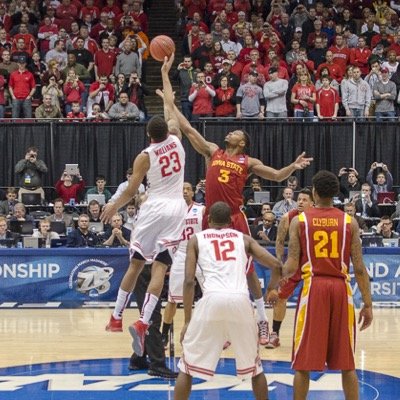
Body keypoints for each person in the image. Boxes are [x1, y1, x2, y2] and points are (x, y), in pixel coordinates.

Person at [161, 53, 313, 345]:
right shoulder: (213, 151)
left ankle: (262, 325)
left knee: (248, 271)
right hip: (210, 217)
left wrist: (292, 167)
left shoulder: (248, 161)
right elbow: (188, 127)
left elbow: (278, 177)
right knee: (210, 272)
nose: (229, 131)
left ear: (241, 142)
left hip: (233, 216)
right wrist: (169, 96)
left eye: (235, 132)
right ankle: (223, 328)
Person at [101, 105, 186, 359]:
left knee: (136, 264)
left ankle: (116, 318)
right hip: (177, 208)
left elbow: (131, 191)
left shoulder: (145, 156)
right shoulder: (178, 141)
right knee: (160, 266)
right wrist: (164, 76)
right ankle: (143, 323)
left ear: (149, 135)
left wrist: (113, 205)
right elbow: (172, 111)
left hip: (155, 207)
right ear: (168, 131)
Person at [174, 201, 281, 400]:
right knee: (255, 368)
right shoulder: (244, 239)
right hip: (240, 301)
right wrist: (272, 289)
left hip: (211, 299)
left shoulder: (196, 239)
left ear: (208, 219)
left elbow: (189, 281)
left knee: (186, 367)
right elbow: (276, 265)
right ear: (231, 221)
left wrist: (187, 320)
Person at [281, 170, 373, 400]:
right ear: (335, 193)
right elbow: (360, 268)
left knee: (302, 363)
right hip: (342, 289)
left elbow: (291, 265)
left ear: (313, 192)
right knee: (347, 363)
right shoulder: (349, 222)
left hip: (314, 288)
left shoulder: (299, 221)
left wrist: (276, 287)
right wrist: (368, 304)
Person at [161, 182, 205, 347]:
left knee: (212, 295)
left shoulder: (201, 209)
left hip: (201, 254)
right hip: (181, 253)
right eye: (182, 189)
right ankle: (164, 334)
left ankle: (216, 332)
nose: (185, 191)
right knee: (173, 299)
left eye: (188, 189)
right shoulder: (171, 213)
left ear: (193, 192)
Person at [271, 188, 314, 348]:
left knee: (314, 302)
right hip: (293, 264)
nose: (301, 202)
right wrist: (279, 264)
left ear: (312, 203)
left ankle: (313, 336)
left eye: (304, 200)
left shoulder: (317, 217)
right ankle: (275, 333)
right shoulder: (287, 217)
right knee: (281, 297)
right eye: (299, 199)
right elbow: (280, 242)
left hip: (312, 265)